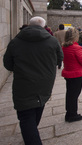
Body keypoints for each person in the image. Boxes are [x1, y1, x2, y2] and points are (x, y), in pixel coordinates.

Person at [3, 16, 63, 145]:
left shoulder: (16, 41)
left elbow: (7, 64)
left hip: (24, 83)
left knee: (26, 116)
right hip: (45, 82)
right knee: (38, 106)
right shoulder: (52, 41)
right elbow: (59, 58)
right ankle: (31, 133)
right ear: (43, 26)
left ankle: (30, 132)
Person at [61, 27, 82, 123]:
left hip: (68, 72)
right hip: (76, 73)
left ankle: (69, 113)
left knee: (69, 94)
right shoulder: (76, 48)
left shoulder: (64, 46)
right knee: (74, 95)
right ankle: (73, 114)